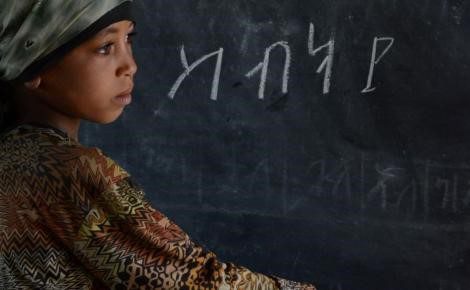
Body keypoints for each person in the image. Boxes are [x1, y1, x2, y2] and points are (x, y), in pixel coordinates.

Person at [0, 1, 316, 289]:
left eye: (129, 40)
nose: (130, 65)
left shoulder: (11, 157)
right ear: (34, 68)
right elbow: (188, 279)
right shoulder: (73, 172)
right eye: (105, 47)